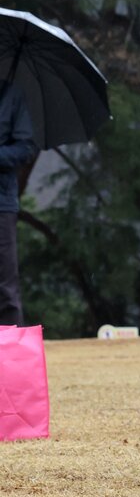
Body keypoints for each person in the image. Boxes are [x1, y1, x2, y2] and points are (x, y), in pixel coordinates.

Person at [0, 80, 37, 325]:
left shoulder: (12, 95)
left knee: (5, 287)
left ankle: (11, 360)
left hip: (1, 204)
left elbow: (26, 148)